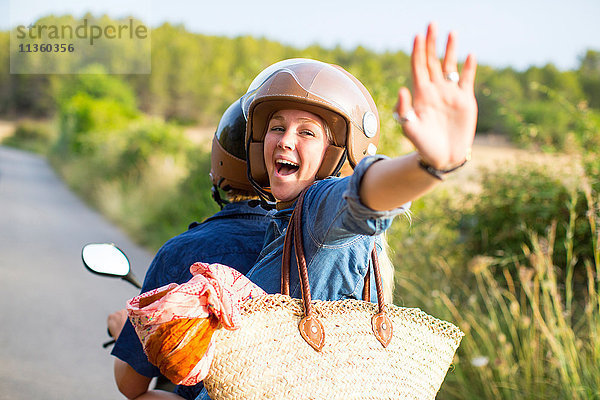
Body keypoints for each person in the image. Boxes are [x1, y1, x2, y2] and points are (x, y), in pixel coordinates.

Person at [242, 22, 477, 303]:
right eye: (277, 128)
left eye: (306, 132)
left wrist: (430, 167)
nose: (285, 141)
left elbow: (366, 193)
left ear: (336, 155)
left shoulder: (318, 211)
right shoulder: (283, 224)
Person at [108, 98, 271, 400]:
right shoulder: (316, 250)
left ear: (220, 163)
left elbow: (131, 385)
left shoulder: (181, 252)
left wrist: (123, 331)